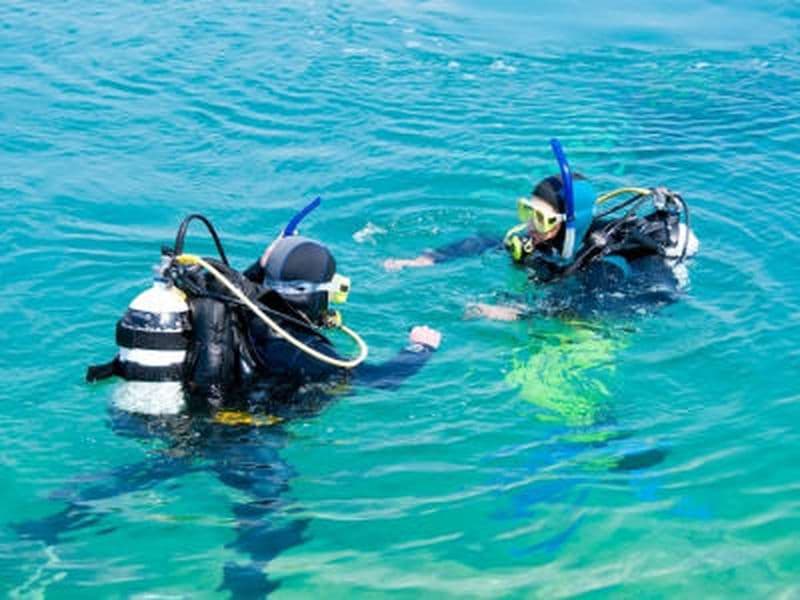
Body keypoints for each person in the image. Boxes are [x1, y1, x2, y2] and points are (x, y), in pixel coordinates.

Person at [87, 202, 441, 414]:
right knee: (270, 518)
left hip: (190, 409)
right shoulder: (301, 346)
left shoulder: (244, 304)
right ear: (312, 294)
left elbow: (244, 282)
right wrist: (419, 349)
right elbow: (380, 380)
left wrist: (264, 261)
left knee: (144, 475)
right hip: (236, 434)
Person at [384, 139, 699, 320]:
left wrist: (517, 311)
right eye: (528, 211)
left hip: (643, 293)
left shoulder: (602, 263)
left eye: (543, 218)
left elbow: (594, 306)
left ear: (568, 223)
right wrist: (428, 258)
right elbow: (485, 241)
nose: (532, 225)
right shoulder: (542, 239)